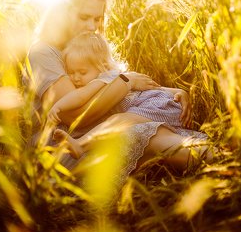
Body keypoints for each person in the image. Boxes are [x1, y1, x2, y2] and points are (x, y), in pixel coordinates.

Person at [25, 0, 209, 177]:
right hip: (63, 144)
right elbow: (75, 116)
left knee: (153, 131)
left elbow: (119, 83)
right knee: (141, 133)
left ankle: (224, 161)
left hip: (104, 130)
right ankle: (217, 161)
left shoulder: (89, 48)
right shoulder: (43, 52)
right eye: (84, 17)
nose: (92, 26)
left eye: (97, 19)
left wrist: (172, 91)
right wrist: (127, 82)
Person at [47, 32, 208, 155]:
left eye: (82, 72)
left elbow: (81, 95)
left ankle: (81, 145)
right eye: (71, 72)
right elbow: (152, 88)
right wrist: (178, 92)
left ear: (101, 65)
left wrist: (58, 106)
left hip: (156, 106)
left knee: (119, 120)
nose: (75, 78)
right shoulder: (119, 76)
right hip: (162, 106)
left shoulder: (105, 78)